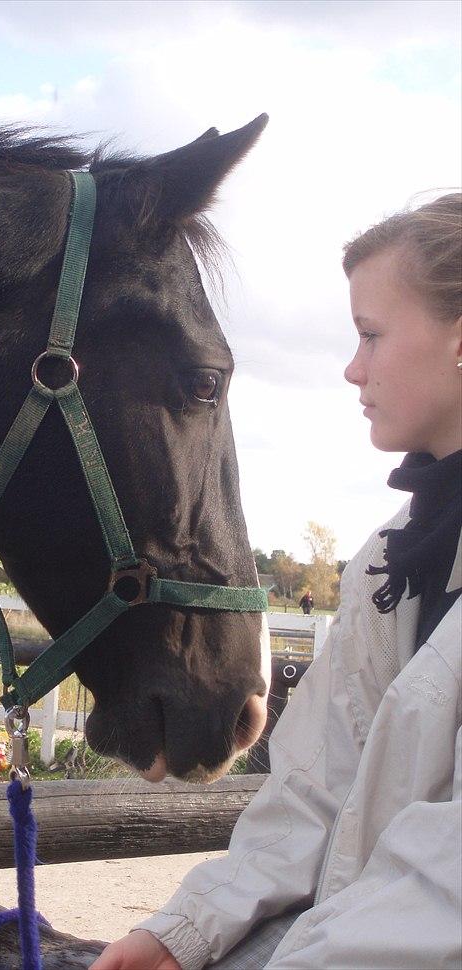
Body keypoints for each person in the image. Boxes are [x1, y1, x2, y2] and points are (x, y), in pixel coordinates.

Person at [91, 192, 462, 970]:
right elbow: (316, 784)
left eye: (370, 334)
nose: (352, 368)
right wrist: (184, 931)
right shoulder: (393, 558)